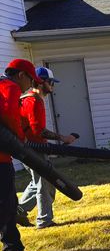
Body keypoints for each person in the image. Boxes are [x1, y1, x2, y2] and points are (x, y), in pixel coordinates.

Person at [17, 67, 77, 229]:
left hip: (24, 148)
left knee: (37, 182)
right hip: (33, 149)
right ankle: (44, 221)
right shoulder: (34, 100)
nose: (53, 86)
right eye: (51, 82)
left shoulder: (26, 98)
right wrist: (62, 138)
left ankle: (19, 211)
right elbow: (38, 130)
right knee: (45, 184)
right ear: (42, 82)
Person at [0, 58, 42, 251]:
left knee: (9, 204)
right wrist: (20, 139)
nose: (31, 85)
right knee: (6, 206)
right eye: (31, 80)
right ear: (21, 75)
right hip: (1, 159)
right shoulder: (9, 87)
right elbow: (9, 115)